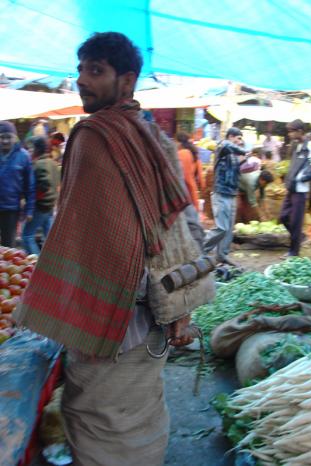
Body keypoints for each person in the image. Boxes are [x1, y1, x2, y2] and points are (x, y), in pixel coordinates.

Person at [15, 32, 201, 466]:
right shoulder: (153, 136)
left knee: (100, 417)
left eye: (96, 70)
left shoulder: (94, 135)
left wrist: (52, 301)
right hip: (157, 306)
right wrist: (182, 304)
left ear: (127, 81)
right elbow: (181, 224)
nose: (82, 80)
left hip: (111, 319)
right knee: (139, 411)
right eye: (80, 69)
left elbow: (76, 230)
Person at [203, 127, 247, 265]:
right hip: (221, 193)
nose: (240, 141)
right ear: (230, 137)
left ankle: (222, 255)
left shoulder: (233, 154)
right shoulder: (222, 146)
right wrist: (243, 150)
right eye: (238, 138)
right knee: (221, 227)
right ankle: (199, 251)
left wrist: (243, 159)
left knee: (228, 230)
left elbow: (234, 170)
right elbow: (226, 145)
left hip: (232, 194)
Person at [280, 119, 311, 256]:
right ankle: (300, 237)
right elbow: (293, 167)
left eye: (292, 131)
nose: (290, 134)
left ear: (300, 131)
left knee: (296, 222)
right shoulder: (297, 146)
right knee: (283, 217)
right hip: (291, 189)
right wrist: (288, 181)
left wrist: (302, 178)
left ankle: (294, 251)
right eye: (289, 131)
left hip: (301, 191)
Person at [22, 137, 60, 254]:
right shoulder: (53, 162)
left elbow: (44, 184)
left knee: (27, 236)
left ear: (38, 149)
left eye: (31, 148)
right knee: (49, 238)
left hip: (41, 206)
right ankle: (51, 263)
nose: (29, 151)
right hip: (49, 206)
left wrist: (31, 202)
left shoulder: (40, 164)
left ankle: (35, 262)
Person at [0, 121, 35, 247]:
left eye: (8, 137)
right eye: (1, 137)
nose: (5, 141)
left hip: (11, 209)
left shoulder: (23, 156)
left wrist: (29, 210)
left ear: (14, 138)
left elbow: (29, 185)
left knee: (8, 245)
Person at [176, 132, 204, 211]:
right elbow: (201, 179)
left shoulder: (183, 153)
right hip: (191, 191)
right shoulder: (194, 154)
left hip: (184, 192)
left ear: (179, 142)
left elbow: (185, 177)